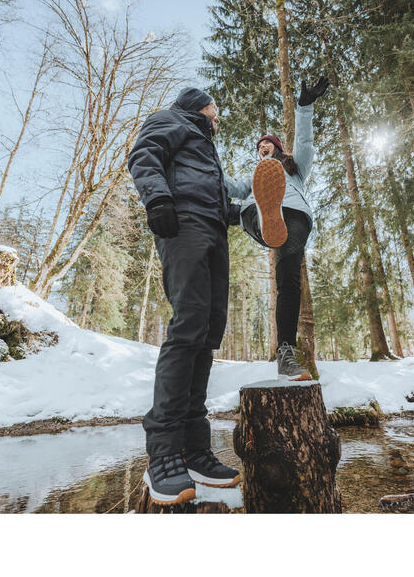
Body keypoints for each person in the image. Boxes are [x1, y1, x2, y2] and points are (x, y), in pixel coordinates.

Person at [128, 86, 242, 505]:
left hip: (213, 230)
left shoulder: (207, 148)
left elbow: (214, 195)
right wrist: (157, 199)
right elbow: (143, 156)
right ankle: (163, 454)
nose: (218, 118)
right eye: (216, 110)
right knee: (188, 325)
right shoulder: (170, 119)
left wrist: (239, 214)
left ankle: (195, 450)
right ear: (200, 104)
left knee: (208, 333)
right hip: (183, 225)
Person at [227, 76, 329, 381]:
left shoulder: (295, 169)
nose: (262, 147)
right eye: (259, 146)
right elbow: (230, 185)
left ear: (278, 148)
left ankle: (286, 353)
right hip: (259, 216)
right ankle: (264, 215)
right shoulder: (253, 175)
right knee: (243, 202)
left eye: (267, 144)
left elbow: (304, 142)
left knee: (288, 280)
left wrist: (305, 107)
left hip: (294, 218)